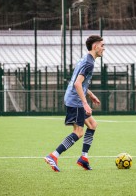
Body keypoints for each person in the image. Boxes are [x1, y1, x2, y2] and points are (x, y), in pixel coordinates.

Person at [44, 35, 104, 172]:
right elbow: (77, 83)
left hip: (74, 98)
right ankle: (53, 155)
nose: (103, 48)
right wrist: (85, 103)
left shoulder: (85, 59)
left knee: (93, 125)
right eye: (102, 45)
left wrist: (91, 95)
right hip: (75, 100)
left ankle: (84, 158)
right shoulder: (89, 63)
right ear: (95, 46)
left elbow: (78, 81)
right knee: (78, 132)